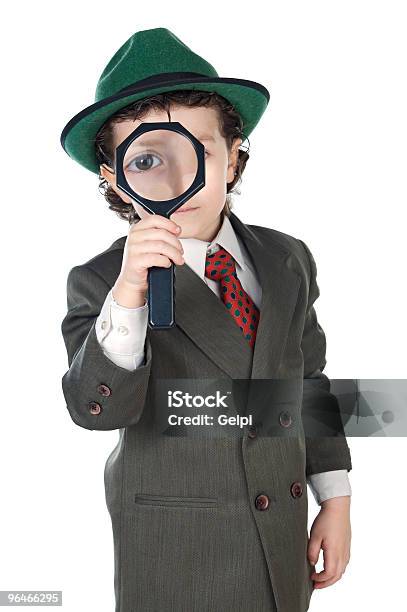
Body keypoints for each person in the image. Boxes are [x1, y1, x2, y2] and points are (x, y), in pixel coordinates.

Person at [60, 27, 352, 612]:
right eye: (146, 160)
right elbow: (97, 410)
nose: (175, 179)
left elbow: (310, 381)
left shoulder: (287, 257)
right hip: (179, 551)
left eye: (198, 149)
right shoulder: (100, 283)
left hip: (283, 530)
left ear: (233, 156)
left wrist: (336, 496)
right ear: (115, 177)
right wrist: (130, 298)